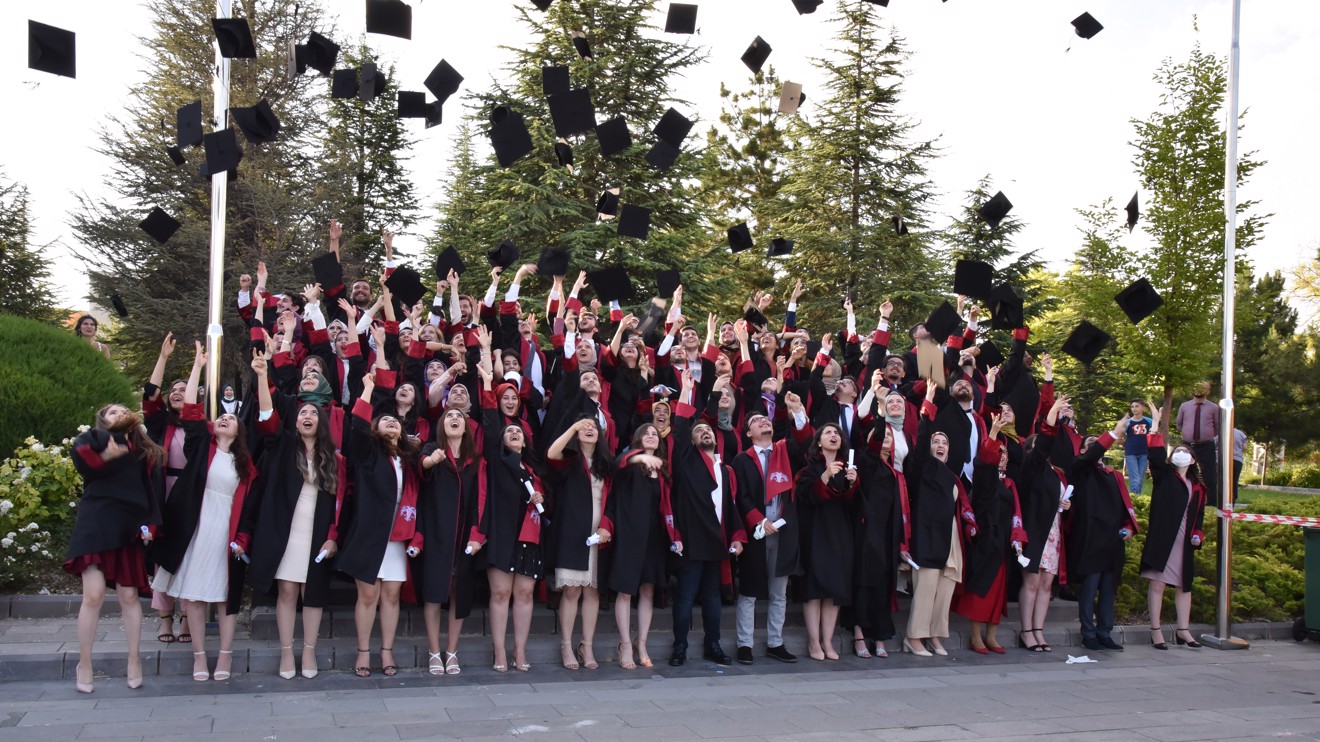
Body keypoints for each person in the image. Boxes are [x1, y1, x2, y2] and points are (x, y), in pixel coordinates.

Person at [149, 343, 255, 682]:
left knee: (226, 596)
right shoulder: (200, 448)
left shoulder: (246, 465)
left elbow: (249, 505)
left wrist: (243, 538)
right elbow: (193, 410)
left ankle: (224, 655)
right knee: (194, 596)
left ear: (239, 432)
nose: (224, 418)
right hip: (196, 528)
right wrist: (197, 366)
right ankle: (198, 657)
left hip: (226, 532)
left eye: (231, 418)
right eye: (222, 416)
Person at [246, 350, 345, 679]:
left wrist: (333, 537)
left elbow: (337, 501)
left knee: (312, 592)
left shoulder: (332, 458)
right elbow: (266, 416)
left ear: (321, 421)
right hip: (285, 528)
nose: (307, 417)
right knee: (287, 590)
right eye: (302, 412)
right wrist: (262, 375)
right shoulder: (283, 445)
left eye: (313, 414)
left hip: (316, 530)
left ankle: (309, 652)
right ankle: (287, 652)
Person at [65, 402, 164, 692]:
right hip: (96, 521)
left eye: (123, 410)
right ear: (102, 420)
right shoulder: (91, 440)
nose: (119, 413)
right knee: (93, 595)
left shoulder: (140, 451)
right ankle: (84, 664)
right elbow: (86, 464)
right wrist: (107, 455)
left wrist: (151, 526)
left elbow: (149, 493)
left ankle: (134, 660)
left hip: (128, 526)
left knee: (129, 595)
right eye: (112, 411)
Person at [336, 371, 423, 678]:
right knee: (369, 595)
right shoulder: (368, 453)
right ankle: (363, 652)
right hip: (370, 534)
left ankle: (386, 651)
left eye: (395, 422)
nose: (391, 422)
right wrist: (368, 389)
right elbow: (358, 427)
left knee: (391, 595)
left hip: (398, 536)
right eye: (384, 421)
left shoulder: (408, 460)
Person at [667, 373, 746, 667]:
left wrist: (737, 536)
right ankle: (679, 647)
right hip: (690, 541)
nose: (705, 432)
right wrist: (698, 392)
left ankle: (713, 644)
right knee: (685, 598)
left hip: (716, 542)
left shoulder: (724, 470)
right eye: (699, 430)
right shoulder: (685, 460)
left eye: (708, 431)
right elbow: (680, 428)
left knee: (713, 599)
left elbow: (731, 508)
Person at [1054, 404, 1139, 653]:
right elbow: (1090, 456)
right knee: (1089, 590)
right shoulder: (1079, 469)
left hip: (1112, 541)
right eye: (1090, 443)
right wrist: (1112, 433)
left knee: (1108, 592)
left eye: (1097, 443)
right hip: (1090, 539)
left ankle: (1105, 632)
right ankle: (1088, 633)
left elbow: (1125, 506)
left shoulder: (1114, 476)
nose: (1095, 446)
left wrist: (1128, 527)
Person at [477, 365, 545, 673]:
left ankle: (520, 650)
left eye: (518, 430)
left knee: (524, 593)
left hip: (529, 538)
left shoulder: (533, 468)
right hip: (503, 535)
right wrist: (489, 383)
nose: (514, 432)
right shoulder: (497, 460)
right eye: (510, 431)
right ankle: (499, 651)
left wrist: (543, 498)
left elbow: (547, 501)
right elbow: (491, 425)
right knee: (501, 593)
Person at [902, 382, 976, 657]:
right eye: (937, 441)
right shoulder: (922, 468)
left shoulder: (951, 475)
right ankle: (914, 637)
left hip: (950, 540)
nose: (941, 444)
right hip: (927, 539)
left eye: (945, 442)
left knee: (943, 592)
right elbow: (921, 439)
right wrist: (928, 405)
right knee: (925, 591)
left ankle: (934, 635)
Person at [416, 405, 485, 676]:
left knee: (460, 592)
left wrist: (478, 533)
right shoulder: (432, 450)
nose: (454, 419)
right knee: (434, 593)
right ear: (442, 425)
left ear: (467, 427)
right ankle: (434, 651)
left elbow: (481, 498)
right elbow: (422, 466)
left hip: (465, 536)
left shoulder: (474, 460)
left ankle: (452, 651)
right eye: (449, 416)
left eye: (459, 416)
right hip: (437, 534)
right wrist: (432, 460)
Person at [545, 415, 615, 671]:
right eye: (584, 427)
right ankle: (566, 643)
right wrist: (572, 426)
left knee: (593, 591)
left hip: (600, 534)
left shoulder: (606, 463)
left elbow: (614, 499)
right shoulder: (571, 459)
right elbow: (552, 454)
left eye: (593, 427)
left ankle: (587, 644)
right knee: (572, 590)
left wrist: (607, 525)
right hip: (573, 533)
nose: (589, 429)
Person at [953, 426, 1027, 655]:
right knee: (980, 591)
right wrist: (993, 435)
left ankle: (992, 636)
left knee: (998, 594)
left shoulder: (1010, 484)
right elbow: (984, 462)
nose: (1002, 457)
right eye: (999, 453)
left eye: (1004, 454)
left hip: (1003, 543)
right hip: (985, 543)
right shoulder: (986, 479)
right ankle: (976, 637)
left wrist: (1017, 538)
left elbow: (1016, 511)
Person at [606, 425, 673, 670]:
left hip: (653, 537)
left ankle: (641, 643)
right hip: (629, 535)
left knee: (648, 591)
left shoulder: (662, 469)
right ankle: (625, 643)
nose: (651, 436)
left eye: (655, 434)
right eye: (646, 433)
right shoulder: (630, 464)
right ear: (637, 439)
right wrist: (638, 456)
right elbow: (616, 465)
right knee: (625, 591)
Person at [1142, 407, 1207, 650]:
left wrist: (1198, 535)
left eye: (1185, 451)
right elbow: (1155, 456)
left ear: (1193, 460)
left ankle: (1183, 630)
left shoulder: (1198, 487)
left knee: (1184, 585)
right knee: (1157, 583)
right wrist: (1155, 427)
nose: (1181, 453)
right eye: (1177, 450)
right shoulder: (1164, 475)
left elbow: (1199, 515)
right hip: (1164, 538)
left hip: (1185, 542)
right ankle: (1156, 631)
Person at [794, 422, 858, 661]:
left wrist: (853, 484)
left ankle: (828, 641)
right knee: (814, 588)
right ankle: (814, 642)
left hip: (840, 532)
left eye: (837, 433)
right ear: (819, 441)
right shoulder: (809, 465)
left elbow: (855, 504)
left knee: (835, 588)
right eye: (828, 433)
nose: (833, 436)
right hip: (816, 531)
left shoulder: (848, 466)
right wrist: (824, 476)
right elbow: (805, 496)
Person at [848, 420, 910, 659]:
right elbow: (874, 445)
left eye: (888, 435)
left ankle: (880, 636)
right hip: (866, 532)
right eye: (880, 434)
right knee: (864, 583)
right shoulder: (867, 461)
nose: (885, 437)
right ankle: (859, 634)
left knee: (884, 586)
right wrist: (882, 415)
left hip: (886, 535)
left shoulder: (893, 470)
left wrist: (901, 543)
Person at [1176, 382, 1220, 507]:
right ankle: (1185, 500)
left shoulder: (1214, 408)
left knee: (1210, 476)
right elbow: (1179, 424)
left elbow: (1217, 427)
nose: (1199, 390)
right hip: (1188, 446)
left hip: (1206, 446)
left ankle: (1211, 503)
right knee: (1185, 473)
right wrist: (1187, 433)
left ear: (1208, 391)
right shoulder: (1184, 406)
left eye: (1202, 388)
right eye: (1196, 388)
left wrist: (1206, 435)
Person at [1124, 399, 1154, 494]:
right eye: (1132, 406)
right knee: (1135, 479)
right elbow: (1120, 436)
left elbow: (1155, 434)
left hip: (1144, 453)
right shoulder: (1127, 422)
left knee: (1140, 479)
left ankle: (1136, 498)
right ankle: (1133, 500)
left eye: (1137, 406)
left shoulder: (1148, 421)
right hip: (1131, 453)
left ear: (1143, 408)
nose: (1134, 408)